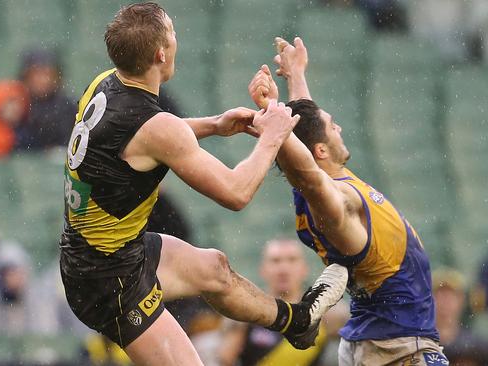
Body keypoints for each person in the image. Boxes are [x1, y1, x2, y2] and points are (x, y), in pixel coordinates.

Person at [59, 3, 348, 366]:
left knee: (215, 269)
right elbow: (236, 192)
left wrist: (214, 123)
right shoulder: (157, 127)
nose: (177, 40)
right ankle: (299, 321)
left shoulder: (106, 82)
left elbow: (140, 139)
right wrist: (272, 136)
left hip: (105, 254)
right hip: (108, 283)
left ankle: (299, 321)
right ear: (161, 54)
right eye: (173, 33)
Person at [247, 37, 446, 365]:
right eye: (332, 125)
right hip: (397, 350)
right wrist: (272, 115)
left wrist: (296, 76)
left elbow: (306, 133)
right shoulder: (336, 199)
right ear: (322, 151)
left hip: (378, 342)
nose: (337, 126)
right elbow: (308, 160)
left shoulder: (324, 185)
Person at [220, 238, 348, 366]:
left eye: (292, 260)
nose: (283, 269)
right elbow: (225, 359)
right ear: (263, 270)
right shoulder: (245, 309)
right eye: (275, 261)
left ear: (304, 269)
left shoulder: (329, 312)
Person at [15, 49, 77, 151]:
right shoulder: (17, 104)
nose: (43, 80)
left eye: (48, 74)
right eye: (37, 74)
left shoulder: (68, 107)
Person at [432, 268, 488, 366]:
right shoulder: (417, 342)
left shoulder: (475, 345)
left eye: (451, 296)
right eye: (440, 295)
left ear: (462, 301)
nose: (445, 302)